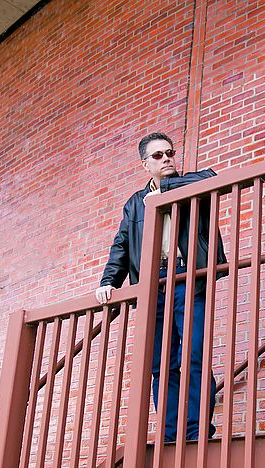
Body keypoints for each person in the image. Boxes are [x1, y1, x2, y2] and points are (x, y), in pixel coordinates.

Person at [95, 132, 226, 442]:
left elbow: (211, 177)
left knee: (193, 355)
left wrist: (164, 192)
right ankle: (170, 433)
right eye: (157, 156)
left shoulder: (190, 184)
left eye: (169, 153)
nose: (167, 158)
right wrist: (107, 283)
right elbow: (122, 245)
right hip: (152, 288)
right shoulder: (135, 204)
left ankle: (195, 432)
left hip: (187, 282)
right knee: (160, 364)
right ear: (145, 164)